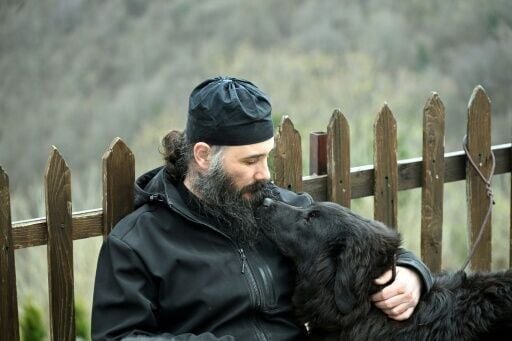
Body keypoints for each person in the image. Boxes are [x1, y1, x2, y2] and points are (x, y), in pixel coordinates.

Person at [91, 76, 433, 340]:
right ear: (203, 156)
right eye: (251, 160)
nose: (265, 173)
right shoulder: (137, 243)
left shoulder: (280, 211)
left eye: (266, 156)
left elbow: (362, 246)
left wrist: (412, 273)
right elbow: (118, 336)